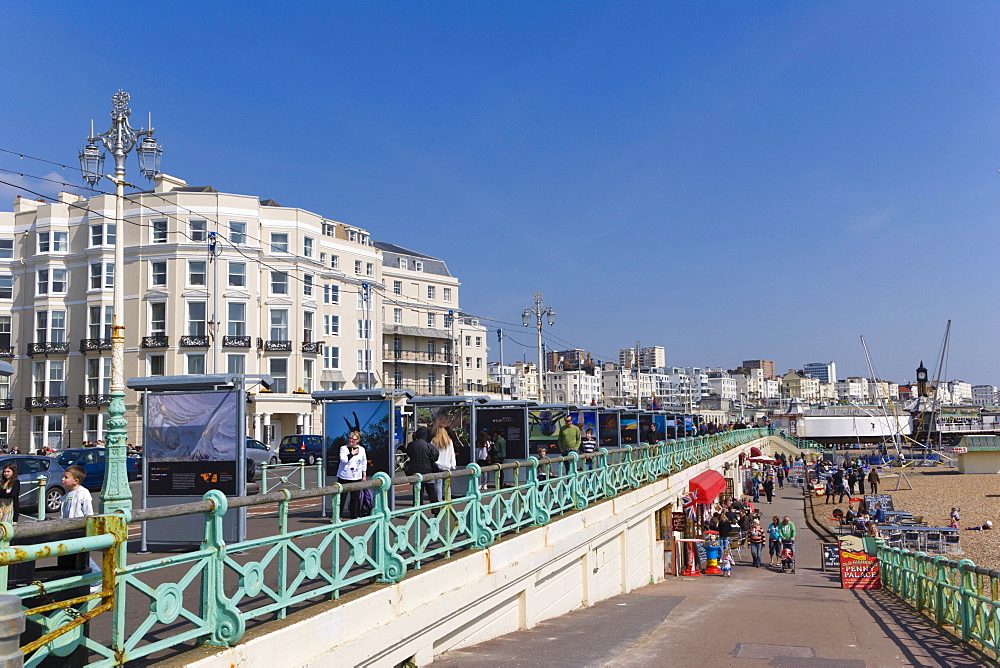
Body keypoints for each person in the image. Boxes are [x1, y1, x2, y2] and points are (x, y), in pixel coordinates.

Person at [404, 427, 439, 505]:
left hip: (415, 472)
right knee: (431, 492)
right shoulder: (429, 445)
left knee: (417, 493)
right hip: (428, 471)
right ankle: (436, 511)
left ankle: (418, 512)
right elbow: (436, 455)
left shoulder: (411, 445)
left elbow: (408, 454)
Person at [337, 431, 367, 519]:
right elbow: (344, 460)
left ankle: (354, 516)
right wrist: (352, 454)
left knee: (355, 498)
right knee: (341, 498)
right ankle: (337, 516)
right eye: (350, 438)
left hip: (356, 477)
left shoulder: (362, 449)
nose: (351, 440)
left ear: (358, 440)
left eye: (353, 439)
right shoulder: (343, 448)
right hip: (344, 476)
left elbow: (363, 462)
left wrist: (364, 475)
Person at [430, 417, 458, 500]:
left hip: (437, 465)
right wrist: (453, 464)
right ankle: (448, 498)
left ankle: (439, 500)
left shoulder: (434, 441)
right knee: (447, 484)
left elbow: (431, 453)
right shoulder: (449, 441)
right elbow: (452, 453)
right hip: (447, 465)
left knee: (438, 484)